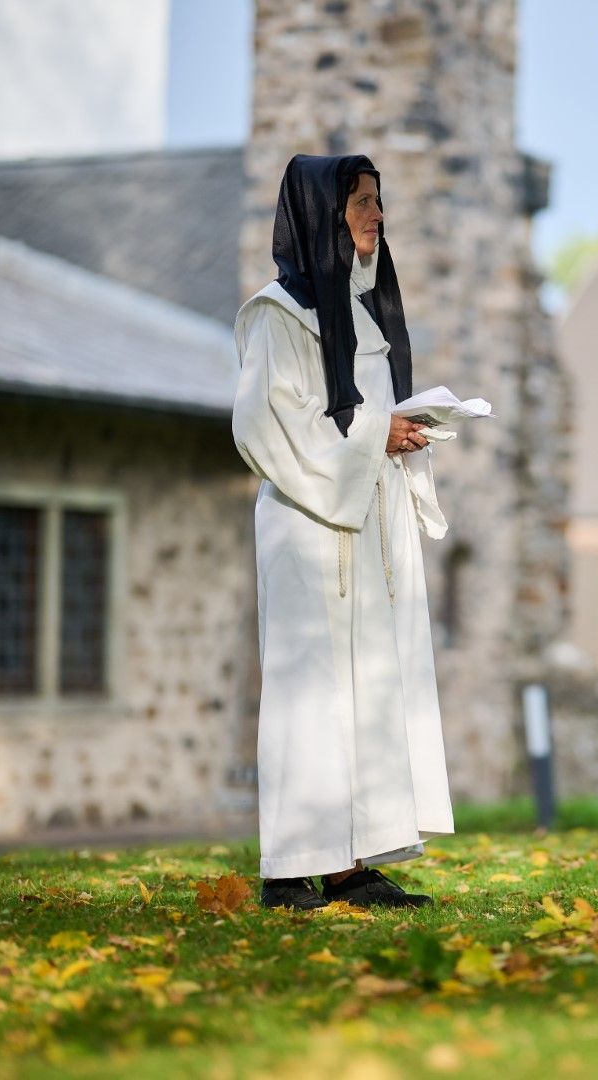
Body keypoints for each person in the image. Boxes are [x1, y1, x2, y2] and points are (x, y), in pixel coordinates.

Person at [233, 154, 453, 910]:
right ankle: (291, 867)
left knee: (368, 688)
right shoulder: (276, 314)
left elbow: (361, 414)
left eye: (378, 202)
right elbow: (266, 426)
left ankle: (353, 864)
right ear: (320, 213)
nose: (376, 216)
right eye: (360, 202)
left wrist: (406, 431)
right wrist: (372, 437)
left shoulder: (363, 311)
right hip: (310, 523)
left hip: (367, 519)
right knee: (311, 691)